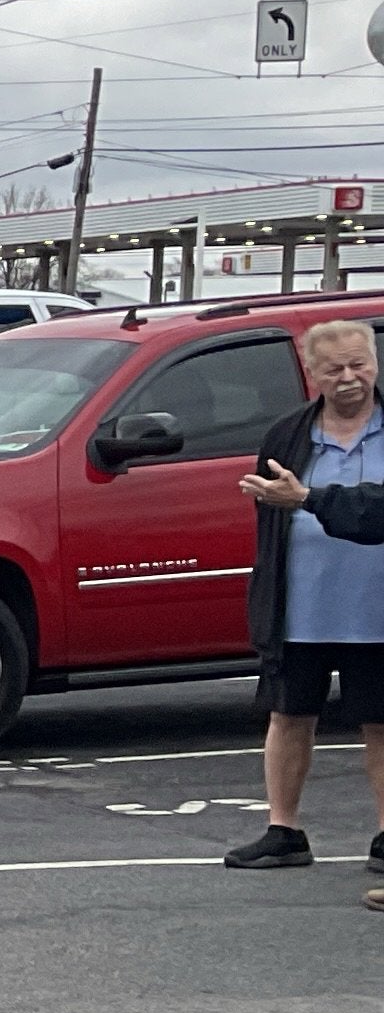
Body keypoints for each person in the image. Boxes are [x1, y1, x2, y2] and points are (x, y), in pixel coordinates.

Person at [228, 314, 384, 885]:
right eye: (334, 368)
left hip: (377, 611)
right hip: (302, 607)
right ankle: (283, 831)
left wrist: (309, 499)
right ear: (312, 373)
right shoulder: (287, 436)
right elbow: (269, 518)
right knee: (289, 716)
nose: (349, 378)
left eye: (359, 364)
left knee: (381, 723)